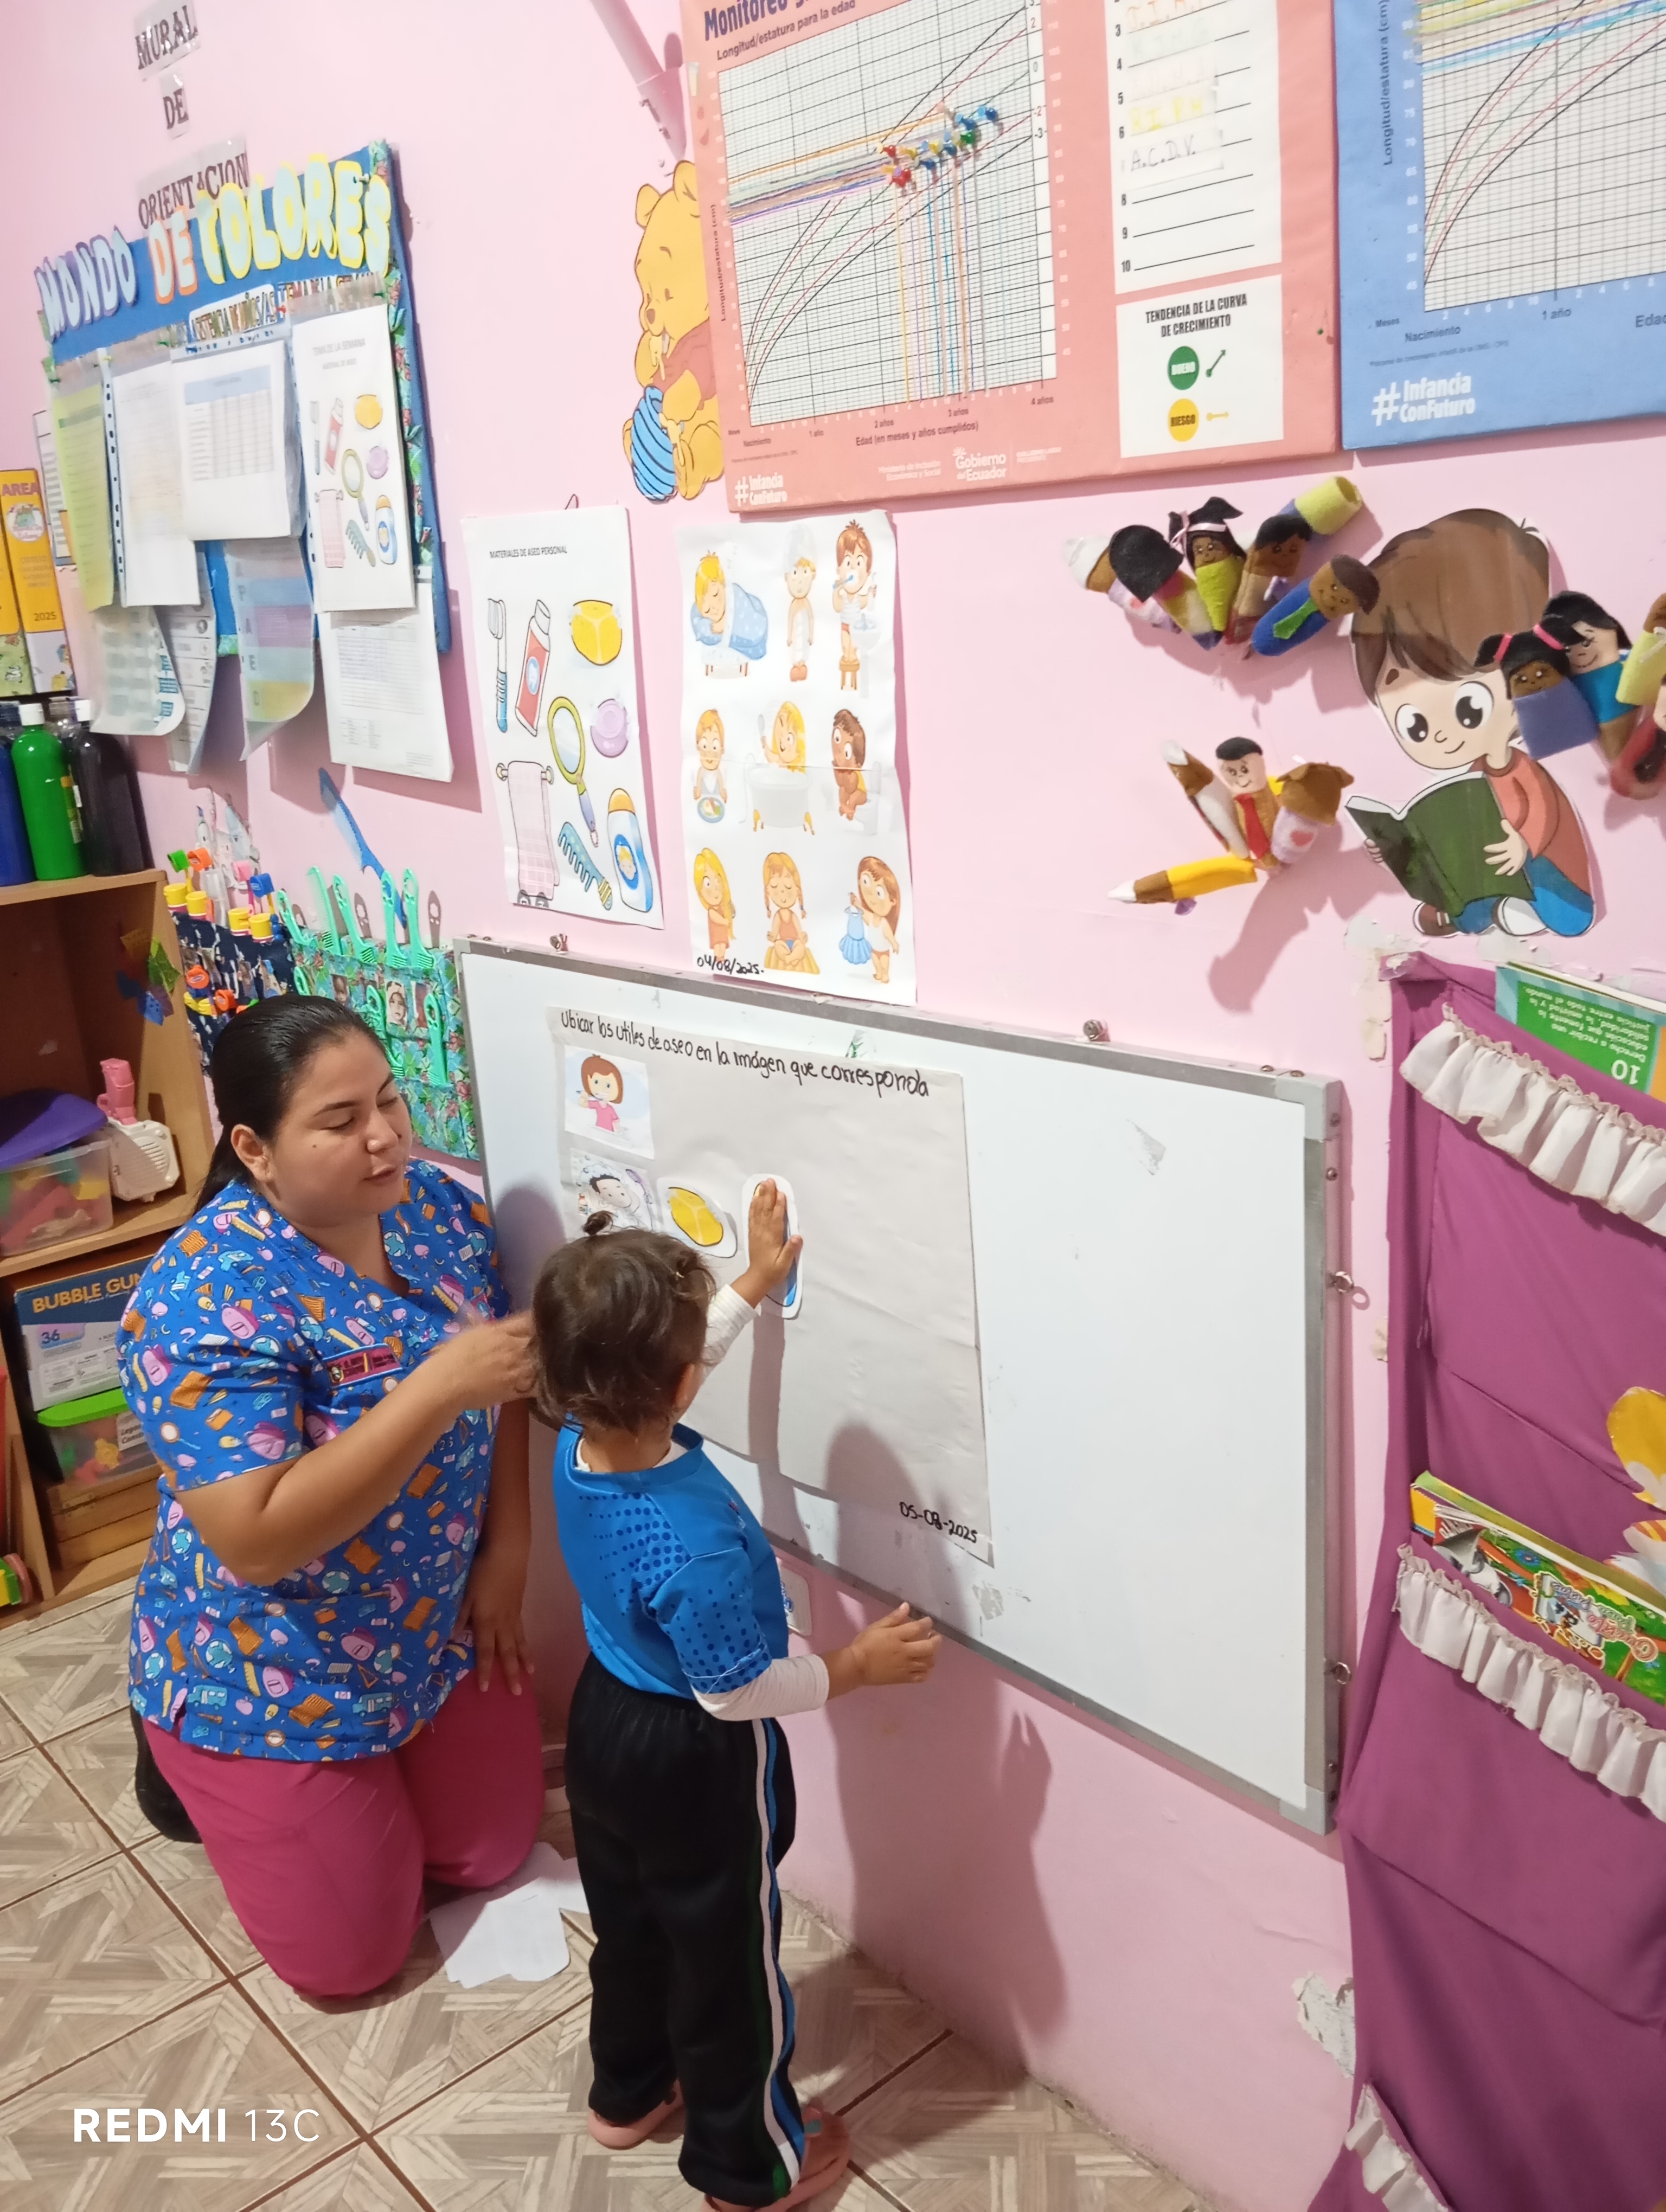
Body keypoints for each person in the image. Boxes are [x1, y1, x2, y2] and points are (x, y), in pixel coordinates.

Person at [119, 997, 542, 1998]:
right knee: (351, 1962)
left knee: (489, 1853)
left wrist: (508, 1552)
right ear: (255, 1149)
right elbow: (258, 1539)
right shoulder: (202, 1294)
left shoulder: (436, 1209)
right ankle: (179, 1743)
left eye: (389, 1100)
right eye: (342, 1120)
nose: (386, 1135)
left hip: (427, 1619)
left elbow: (506, 1382)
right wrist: (433, 1387)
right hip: (266, 1659)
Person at [533, 1188, 940, 2211]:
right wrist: (853, 1667)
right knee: (728, 1967)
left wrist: (753, 1284)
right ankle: (749, 2169)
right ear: (676, 1382)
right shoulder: (696, 1546)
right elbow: (736, 1694)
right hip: (692, 1758)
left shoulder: (580, 1437)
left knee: (631, 1928)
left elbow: (663, 1370)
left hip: (604, 1726)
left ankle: (628, 2092)